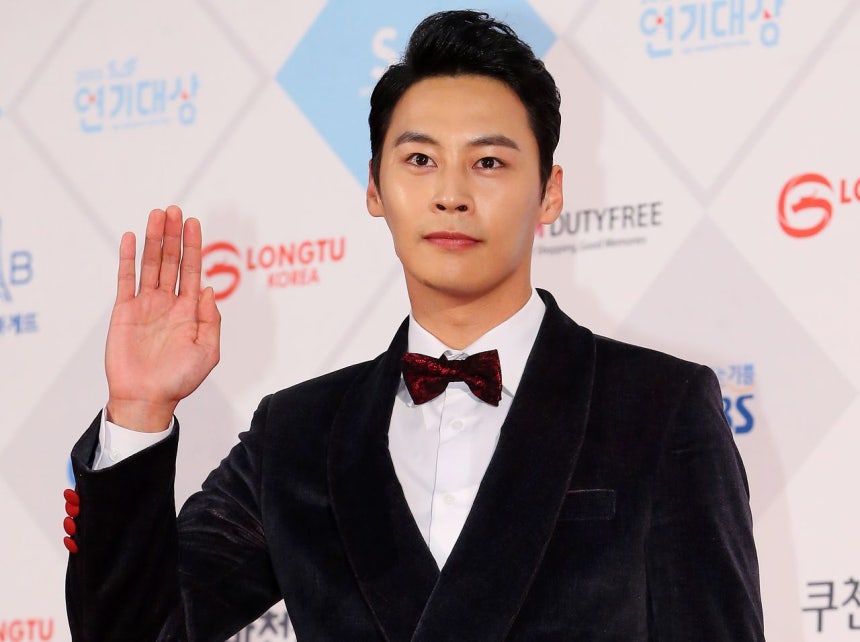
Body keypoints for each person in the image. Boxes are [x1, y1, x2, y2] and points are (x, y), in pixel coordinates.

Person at [64, 10, 764, 641]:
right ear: (375, 186)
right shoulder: (298, 436)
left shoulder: (659, 407)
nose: (451, 195)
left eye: (488, 162)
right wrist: (139, 411)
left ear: (550, 192)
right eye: (420, 161)